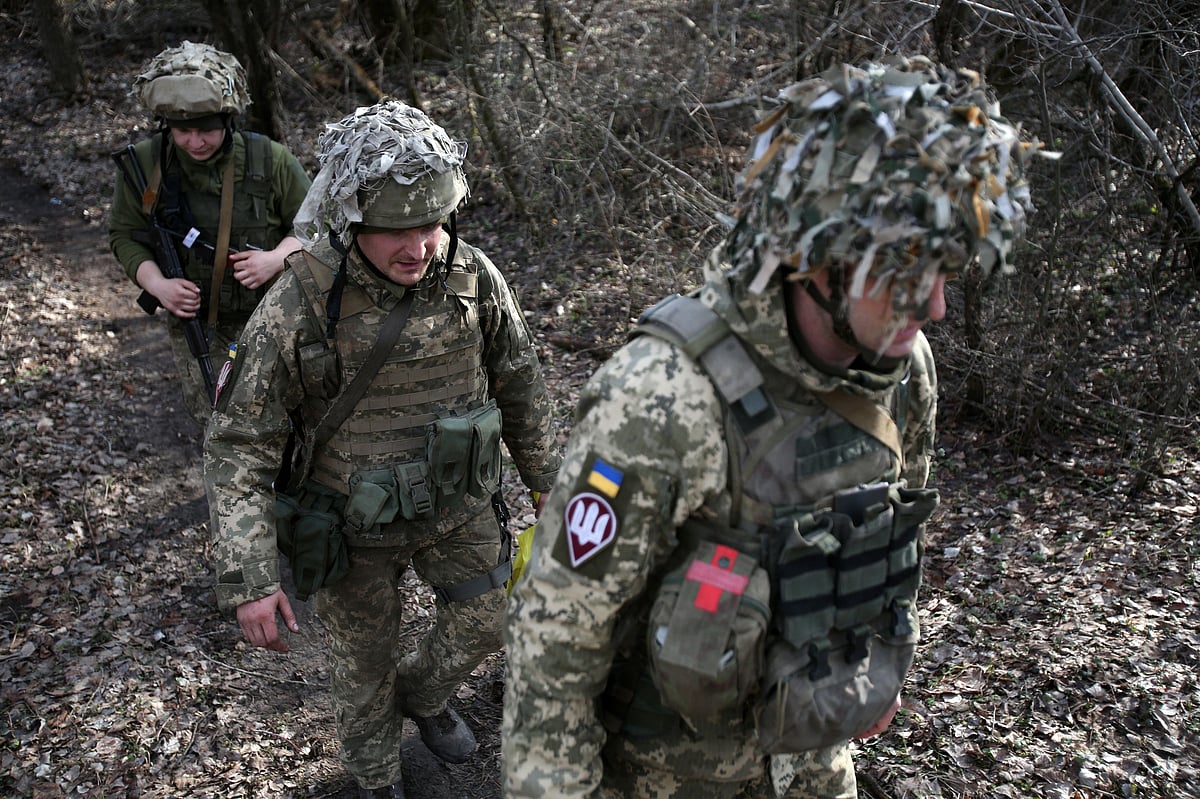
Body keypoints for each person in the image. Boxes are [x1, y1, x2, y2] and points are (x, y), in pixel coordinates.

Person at [503, 56, 1046, 798]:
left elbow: (901, 524)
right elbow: (557, 641)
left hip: (814, 754)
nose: (937, 306)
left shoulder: (903, 368)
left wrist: (883, 655)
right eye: (907, 273)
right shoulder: (662, 399)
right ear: (819, 258)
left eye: (946, 273)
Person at [203, 100, 562, 799]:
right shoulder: (298, 303)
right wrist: (248, 577)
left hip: (458, 504)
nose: (419, 245)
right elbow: (240, 446)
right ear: (352, 219)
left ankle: (423, 696)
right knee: (361, 665)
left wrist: (553, 484)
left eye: (431, 223)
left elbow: (522, 385)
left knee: (492, 617)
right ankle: (376, 775)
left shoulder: (473, 278)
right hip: (348, 526)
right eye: (397, 229)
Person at [108, 41, 311, 425]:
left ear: (228, 121)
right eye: (183, 132)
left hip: (275, 318)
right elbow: (124, 235)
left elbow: (316, 225)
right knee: (217, 426)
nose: (195, 142)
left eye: (207, 131)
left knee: (283, 422)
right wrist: (159, 287)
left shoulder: (269, 159)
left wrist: (275, 258)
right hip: (197, 325)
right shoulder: (147, 163)